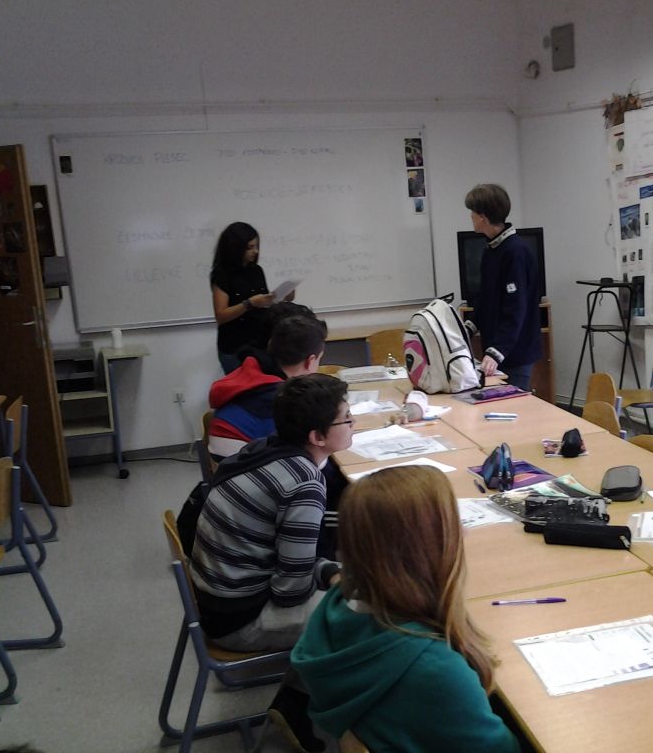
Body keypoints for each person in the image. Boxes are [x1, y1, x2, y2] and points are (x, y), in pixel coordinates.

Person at [292, 466, 520, 752]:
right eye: (452, 526)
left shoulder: (337, 602)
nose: (462, 533)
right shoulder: (436, 669)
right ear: (424, 549)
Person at [190, 373, 352, 651]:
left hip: (219, 600)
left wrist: (328, 571)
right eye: (346, 419)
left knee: (357, 583)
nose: (353, 424)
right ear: (317, 437)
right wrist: (332, 578)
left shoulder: (264, 448)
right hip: (240, 621)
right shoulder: (304, 482)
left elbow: (286, 556)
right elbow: (291, 591)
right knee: (375, 614)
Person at [207, 314, 328, 459]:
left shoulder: (254, 368)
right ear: (310, 361)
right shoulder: (280, 397)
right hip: (242, 464)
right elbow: (301, 449)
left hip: (227, 457)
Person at [464, 184, 541, 392]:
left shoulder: (516, 252)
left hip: (516, 353)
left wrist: (497, 351)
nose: (470, 216)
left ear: (483, 217)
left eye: (472, 212)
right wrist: (467, 328)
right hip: (499, 351)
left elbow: (516, 309)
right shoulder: (491, 249)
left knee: (513, 408)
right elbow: (484, 297)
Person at [211, 221, 293, 373]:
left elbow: (265, 304)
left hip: (260, 342)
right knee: (242, 385)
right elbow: (221, 315)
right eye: (250, 247)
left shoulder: (256, 270)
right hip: (234, 347)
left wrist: (281, 296)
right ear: (235, 248)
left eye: (257, 246)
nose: (255, 251)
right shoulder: (222, 275)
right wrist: (249, 303)